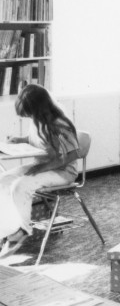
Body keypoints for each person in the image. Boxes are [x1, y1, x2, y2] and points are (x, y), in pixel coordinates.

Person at [0, 84, 80, 258]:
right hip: (43, 165)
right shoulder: (38, 120)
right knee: (3, 180)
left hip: (63, 172)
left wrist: (42, 168)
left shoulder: (60, 124)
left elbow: (73, 154)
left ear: (39, 109)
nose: (29, 117)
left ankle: (22, 230)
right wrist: (20, 140)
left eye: (30, 114)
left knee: (21, 186)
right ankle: (8, 228)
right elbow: (38, 140)